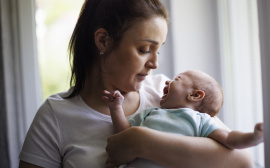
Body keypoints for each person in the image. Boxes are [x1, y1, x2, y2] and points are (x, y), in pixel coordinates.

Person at [19, 0, 254, 168]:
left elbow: (242, 161)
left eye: (158, 50)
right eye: (145, 49)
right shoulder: (54, 116)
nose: (154, 64)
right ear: (103, 40)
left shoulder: (168, 95)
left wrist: (143, 142)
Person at [103, 70, 264, 167]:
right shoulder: (151, 112)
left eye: (177, 78)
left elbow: (229, 139)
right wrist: (116, 108)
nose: (167, 81)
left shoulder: (201, 120)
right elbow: (123, 134)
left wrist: (253, 137)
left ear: (194, 95)